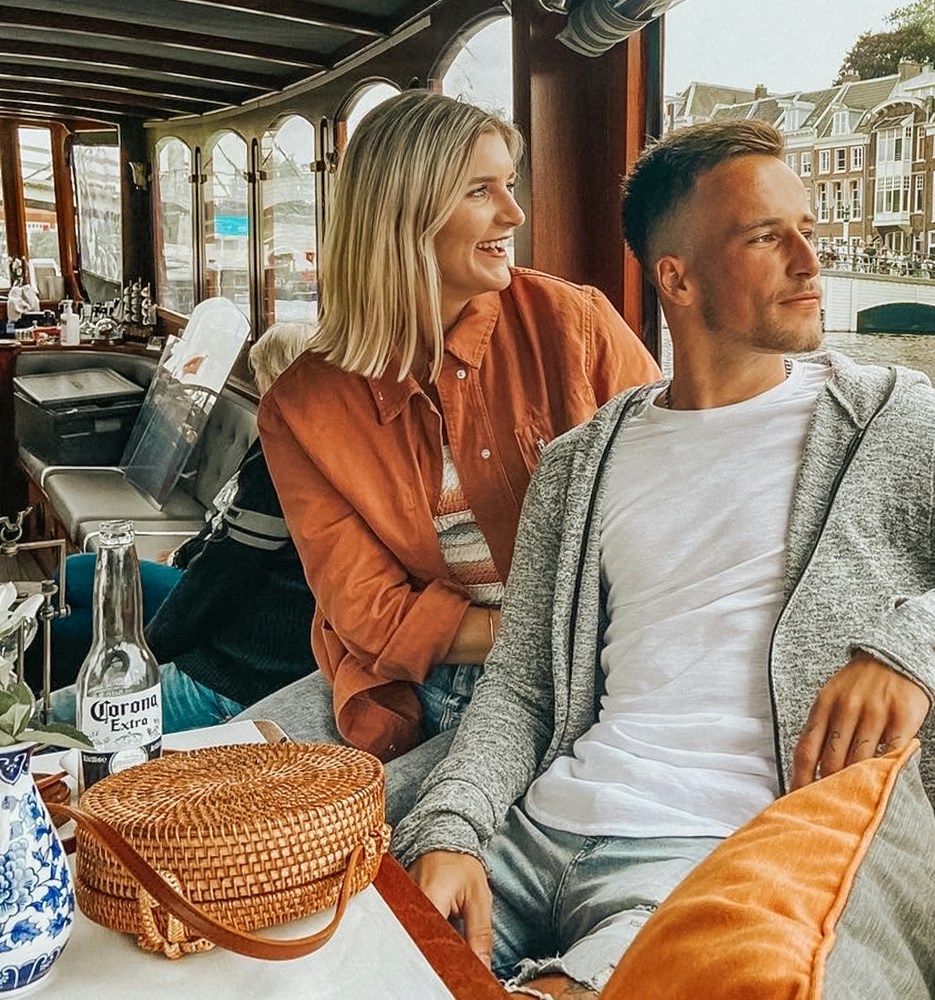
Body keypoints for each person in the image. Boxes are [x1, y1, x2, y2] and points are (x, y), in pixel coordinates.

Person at [392, 119, 935, 998]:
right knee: (341, 960)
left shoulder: (892, 424)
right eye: (766, 237)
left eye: (809, 232)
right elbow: (520, 688)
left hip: (723, 860)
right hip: (531, 834)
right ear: (677, 277)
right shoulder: (579, 464)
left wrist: (921, 639)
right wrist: (449, 828)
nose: (811, 263)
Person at [241, 91, 659, 819]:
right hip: (398, 682)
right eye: (480, 191)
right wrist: (525, 632)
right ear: (404, 214)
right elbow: (366, 612)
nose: (514, 214)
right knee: (221, 797)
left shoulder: (575, 325)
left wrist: (555, 646)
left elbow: (680, 503)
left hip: (566, 688)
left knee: (350, 844)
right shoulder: (304, 406)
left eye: (510, 185)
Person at [49, 321, 317, 731]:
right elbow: (229, 545)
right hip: (237, 639)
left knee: (47, 713)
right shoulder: (306, 439)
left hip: (235, 678)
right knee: (70, 597)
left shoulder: (286, 450)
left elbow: (227, 569)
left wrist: (149, 653)